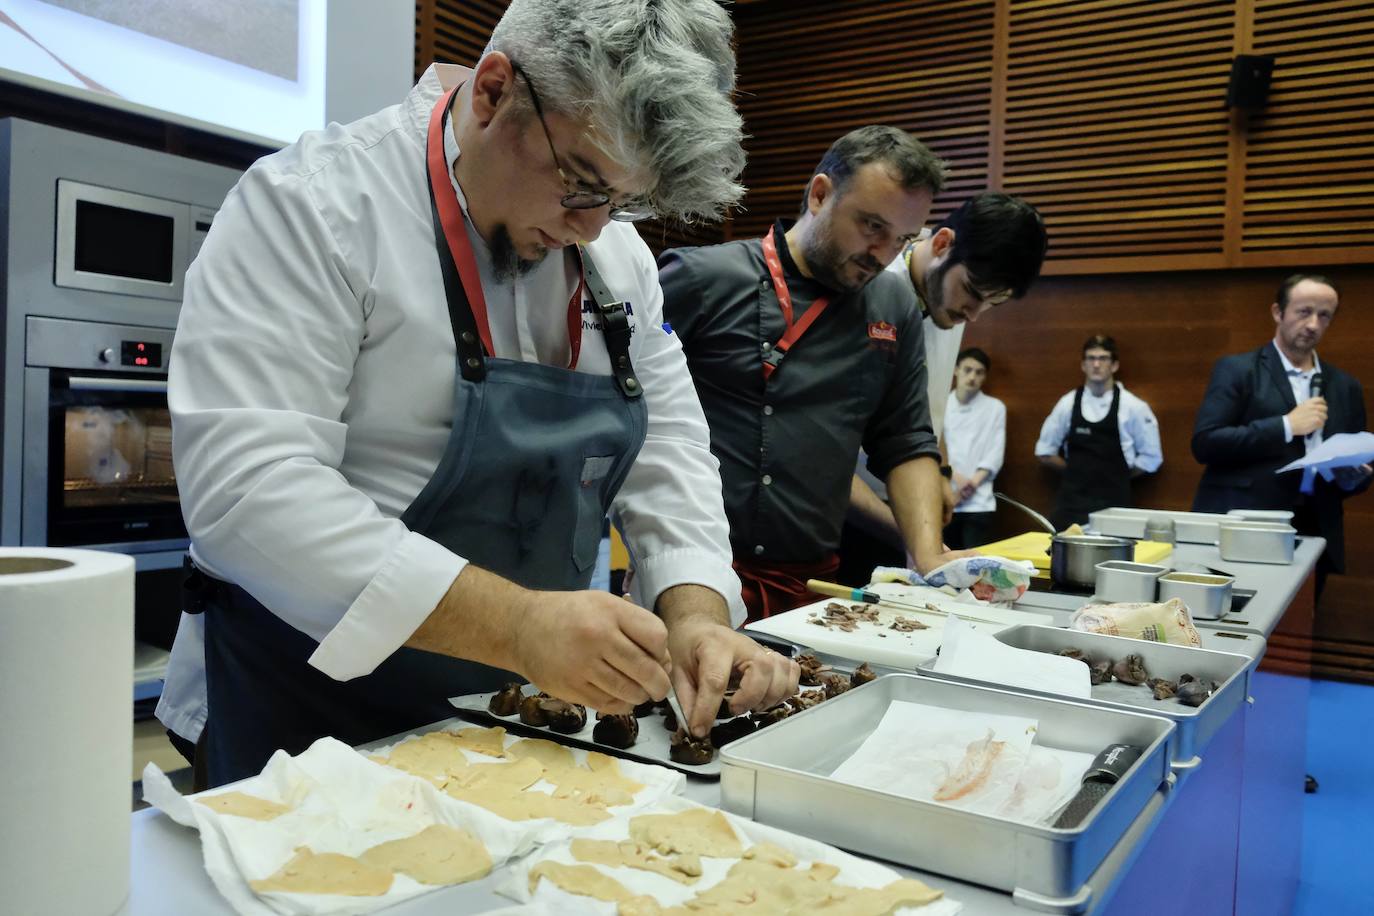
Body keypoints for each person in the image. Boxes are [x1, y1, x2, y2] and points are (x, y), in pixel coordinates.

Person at [158, 0, 797, 788]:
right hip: (307, 712)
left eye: (623, 202)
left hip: (516, 715)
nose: (592, 229)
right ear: (493, 92)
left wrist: (695, 614)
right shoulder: (314, 205)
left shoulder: (615, 257)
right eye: (580, 183)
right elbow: (249, 494)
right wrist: (522, 626)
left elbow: (667, 450)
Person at [658, 125, 969, 622]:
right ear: (821, 194)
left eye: (902, 239)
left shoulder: (893, 307)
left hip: (813, 585)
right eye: (871, 227)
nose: (883, 254)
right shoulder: (703, 279)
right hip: (692, 579)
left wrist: (928, 553)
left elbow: (906, 438)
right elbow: (622, 403)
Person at [840, 193, 1048, 582]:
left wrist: (942, 473)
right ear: (941, 244)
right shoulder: (869, 290)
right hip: (844, 514)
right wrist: (913, 533)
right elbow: (827, 459)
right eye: (971, 291)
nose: (973, 314)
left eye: (992, 303)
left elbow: (929, 409)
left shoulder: (950, 304)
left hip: (905, 512)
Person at [1192, 274, 1370, 599]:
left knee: (1297, 637)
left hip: (1314, 528)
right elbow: (1205, 442)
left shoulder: (1346, 387)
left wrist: (1351, 477)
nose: (1313, 324)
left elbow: (1353, 473)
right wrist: (1286, 425)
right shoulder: (1238, 370)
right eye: (1304, 312)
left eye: (1324, 315)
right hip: (1247, 528)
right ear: (1278, 312)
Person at [1035, 335, 1163, 531]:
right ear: (1083, 365)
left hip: (1115, 508)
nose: (1096, 364)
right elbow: (1045, 452)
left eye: (1103, 358)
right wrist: (1076, 472)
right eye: (1090, 358)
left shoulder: (1134, 407)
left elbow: (1152, 458)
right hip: (1071, 506)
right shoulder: (1067, 403)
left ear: (1114, 365)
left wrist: (1118, 475)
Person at [943, 347, 1006, 550]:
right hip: (944, 497)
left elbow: (995, 454)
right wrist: (954, 477)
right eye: (967, 370)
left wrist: (970, 485)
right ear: (956, 370)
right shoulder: (940, 403)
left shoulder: (995, 407)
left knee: (976, 570)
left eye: (979, 372)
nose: (972, 377)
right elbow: (934, 448)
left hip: (979, 502)